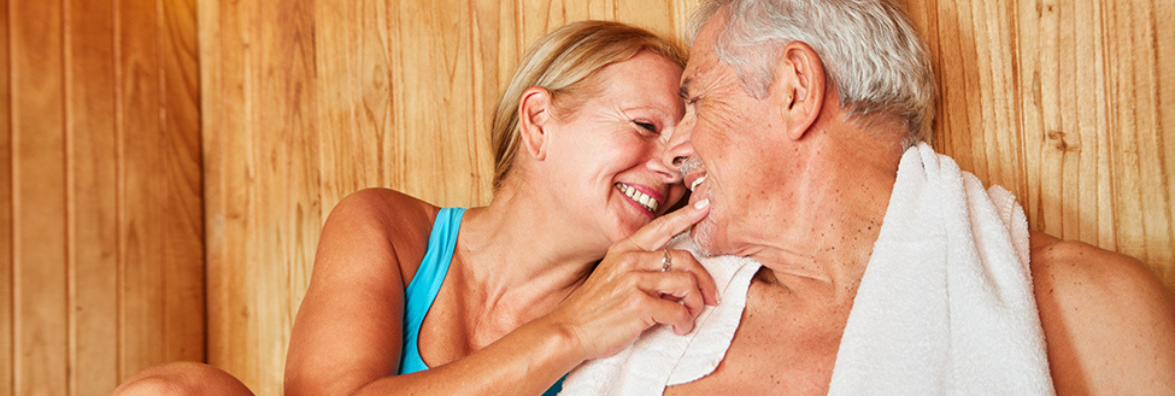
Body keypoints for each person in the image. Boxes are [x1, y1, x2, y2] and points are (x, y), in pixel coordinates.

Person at [113, 20, 719, 396]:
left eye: (684, 151)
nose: (672, 167)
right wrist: (570, 332)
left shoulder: (639, 304)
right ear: (538, 122)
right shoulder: (386, 229)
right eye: (645, 125)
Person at [651, 0, 1175, 394]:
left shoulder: (1096, 312)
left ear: (796, 90)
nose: (674, 150)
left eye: (696, 102)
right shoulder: (654, 316)